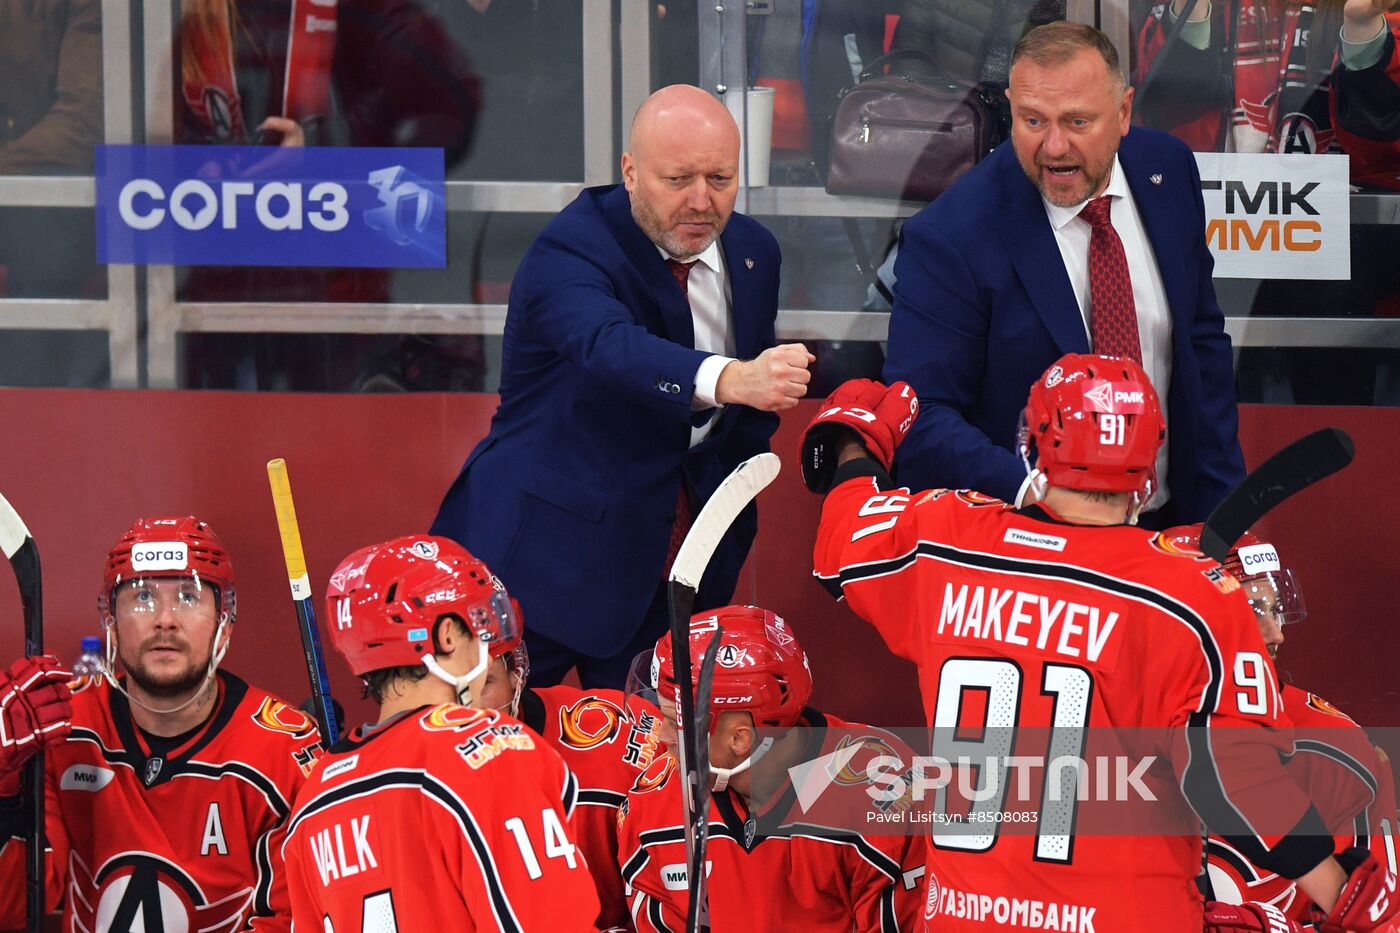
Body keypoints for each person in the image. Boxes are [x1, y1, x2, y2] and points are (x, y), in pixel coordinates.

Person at [799, 356, 1399, 932]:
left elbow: (844, 537)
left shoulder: (944, 542)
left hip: (967, 913)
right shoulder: (1191, 596)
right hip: (1128, 914)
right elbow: (1232, 785)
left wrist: (857, 443)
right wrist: (1342, 891)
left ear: (1033, 441)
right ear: (1150, 459)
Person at [431, 84, 813, 690]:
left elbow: (746, 422)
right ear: (630, 173)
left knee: (646, 769)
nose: (700, 201)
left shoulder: (753, 253)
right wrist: (731, 378)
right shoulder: (571, 247)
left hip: (673, 571)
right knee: (494, 753)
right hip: (540, 565)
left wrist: (726, 518)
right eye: (678, 179)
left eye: (720, 178)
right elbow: (609, 347)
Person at [883, 21, 1244, 529]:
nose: (1053, 147)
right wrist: (1035, 489)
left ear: (1122, 113)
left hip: (1172, 525)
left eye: (1077, 122)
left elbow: (1202, 348)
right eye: (1032, 121)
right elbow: (917, 416)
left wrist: (1226, 519)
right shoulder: (952, 237)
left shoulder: (1169, 170)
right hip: (1034, 541)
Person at [0, 515, 322, 931]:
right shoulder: (67, 728)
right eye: (142, 596)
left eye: (189, 596)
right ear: (110, 617)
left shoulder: (281, 752)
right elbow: (15, 904)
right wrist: (4, 793)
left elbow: (303, 917)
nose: (165, 619)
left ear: (224, 620)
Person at [281, 535, 600, 931]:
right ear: (448, 636)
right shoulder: (491, 749)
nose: (488, 649)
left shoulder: (313, 800)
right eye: (481, 626)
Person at [616, 605, 927, 932]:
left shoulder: (884, 793)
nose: (659, 736)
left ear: (740, 739)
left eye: (671, 722)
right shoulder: (651, 807)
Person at [1162, 527, 1400, 925]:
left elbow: (1381, 919)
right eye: (1252, 611)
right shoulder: (1110, 727)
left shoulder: (1334, 748)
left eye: (1274, 610)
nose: (1277, 634)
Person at [467, 616, 665, 930]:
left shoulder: (617, 735)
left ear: (515, 672)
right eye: (438, 688)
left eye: (478, 684)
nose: (459, 709)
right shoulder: (383, 781)